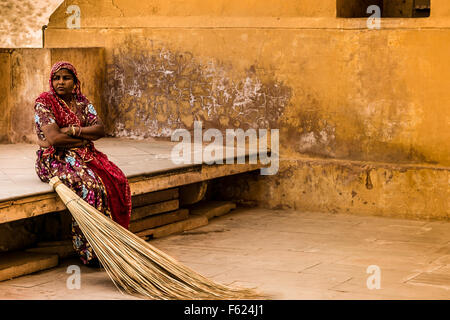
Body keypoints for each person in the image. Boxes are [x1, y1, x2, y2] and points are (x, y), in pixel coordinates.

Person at [34, 61, 132, 267]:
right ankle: (89, 251)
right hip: (54, 159)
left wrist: (72, 130)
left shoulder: (82, 102)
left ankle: (110, 243)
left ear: (75, 81)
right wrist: (83, 139)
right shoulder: (44, 103)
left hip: (84, 153)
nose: (60, 82)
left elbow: (100, 130)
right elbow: (54, 140)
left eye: (66, 78)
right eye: (56, 78)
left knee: (116, 178)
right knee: (89, 185)